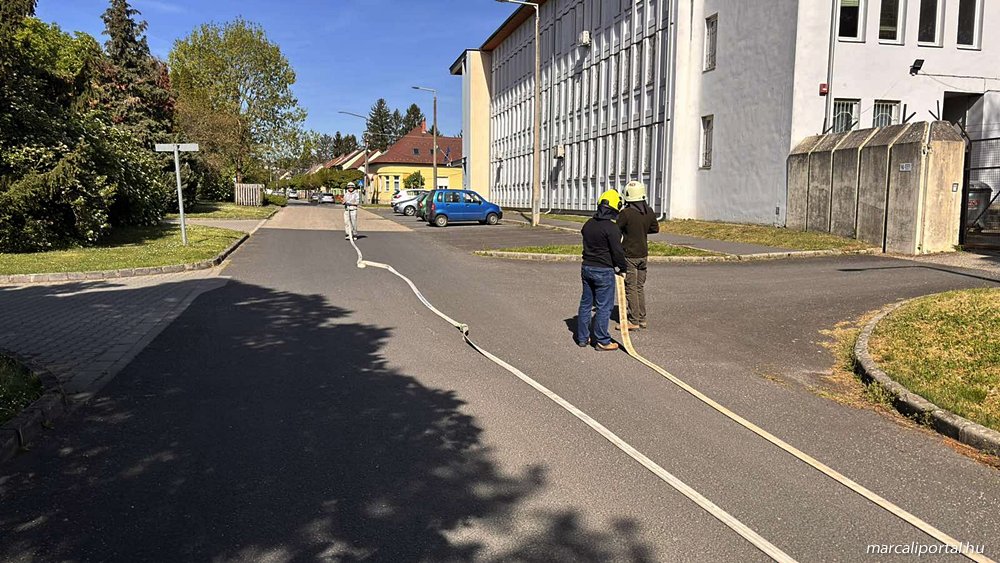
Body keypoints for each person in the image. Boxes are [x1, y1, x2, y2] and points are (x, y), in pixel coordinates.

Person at [577, 189, 628, 351]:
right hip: (604, 270)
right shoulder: (611, 228)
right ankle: (602, 340)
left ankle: (582, 337)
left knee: (586, 304)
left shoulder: (588, 224)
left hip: (586, 267)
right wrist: (623, 268)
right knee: (604, 306)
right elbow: (618, 252)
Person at [617, 180, 660, 331]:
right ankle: (642, 318)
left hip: (630, 255)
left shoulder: (626, 213)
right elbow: (655, 229)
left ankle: (633, 320)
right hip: (643, 254)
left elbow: (616, 229)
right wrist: (641, 230)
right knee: (640, 287)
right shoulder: (649, 211)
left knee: (631, 287)